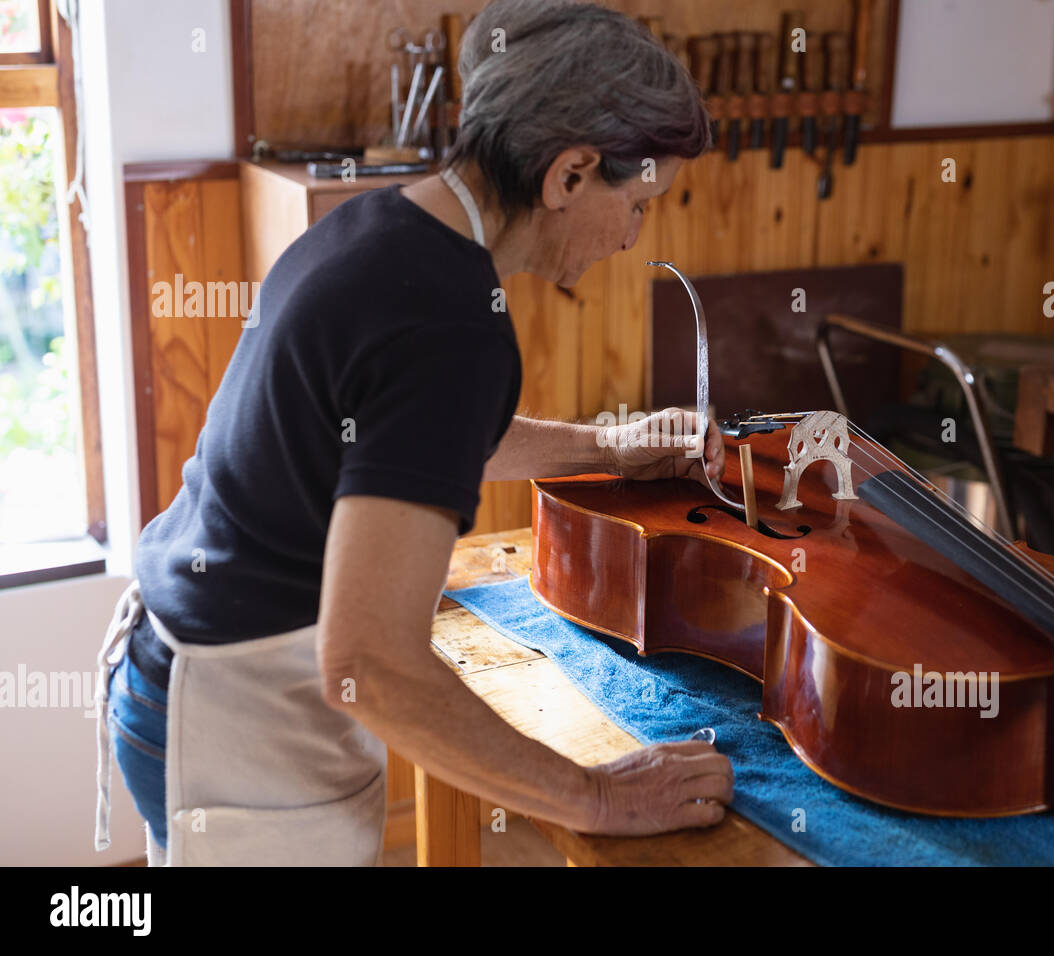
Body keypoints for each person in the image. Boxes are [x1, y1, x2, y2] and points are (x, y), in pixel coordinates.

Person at [94, 0, 734, 866]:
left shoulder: (380, 228)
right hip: (234, 711)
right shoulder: (454, 326)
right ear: (571, 174)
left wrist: (611, 449)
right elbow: (373, 665)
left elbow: (407, 444)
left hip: (173, 671)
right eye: (639, 201)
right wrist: (601, 797)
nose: (632, 236)